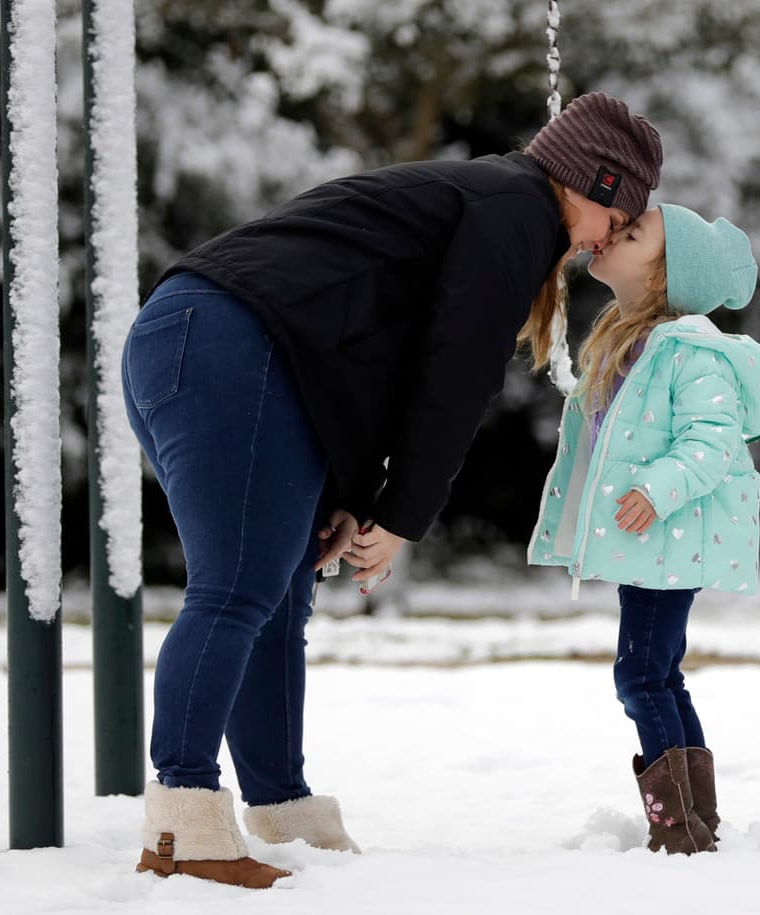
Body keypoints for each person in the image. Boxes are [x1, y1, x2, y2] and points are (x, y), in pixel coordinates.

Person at [122, 92, 662, 887]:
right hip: (230, 340)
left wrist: (352, 493)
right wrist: (403, 513)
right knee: (238, 585)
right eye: (616, 219)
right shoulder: (516, 210)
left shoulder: (491, 200)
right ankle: (182, 823)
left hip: (222, 344)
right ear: (592, 183)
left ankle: (282, 810)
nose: (606, 241)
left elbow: (367, 348)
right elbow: (454, 370)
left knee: (276, 590)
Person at [526, 203, 760, 854]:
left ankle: (677, 831)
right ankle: (695, 822)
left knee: (640, 677)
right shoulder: (628, 337)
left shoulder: (688, 351)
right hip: (653, 545)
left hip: (669, 537)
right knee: (660, 674)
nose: (612, 236)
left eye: (633, 233)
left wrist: (654, 487)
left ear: (665, 275)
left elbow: (712, 438)